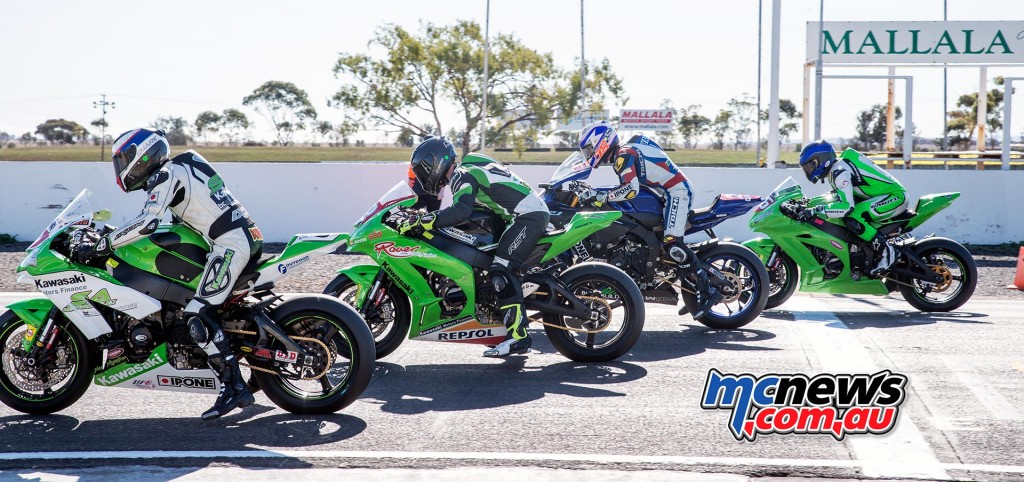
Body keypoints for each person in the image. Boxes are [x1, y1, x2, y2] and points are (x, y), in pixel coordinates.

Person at [76, 128, 263, 420]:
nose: (122, 167)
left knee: (197, 314)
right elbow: (163, 222)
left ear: (143, 154)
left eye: (124, 159)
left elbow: (148, 221)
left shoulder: (167, 174)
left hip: (230, 244)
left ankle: (233, 386)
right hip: (234, 239)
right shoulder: (182, 165)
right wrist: (116, 235)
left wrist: (105, 243)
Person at [401, 136, 550, 357]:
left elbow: (461, 211)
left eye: (423, 171)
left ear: (434, 164)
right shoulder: (468, 169)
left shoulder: (462, 174)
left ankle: (518, 336)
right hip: (524, 216)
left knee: (501, 269)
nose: (422, 178)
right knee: (493, 266)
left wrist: (426, 221)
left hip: (528, 218)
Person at [570, 120, 722, 318]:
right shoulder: (624, 152)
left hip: (676, 192)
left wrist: (602, 196)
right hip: (665, 193)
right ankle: (690, 290)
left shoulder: (623, 155)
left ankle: (708, 291)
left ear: (602, 142)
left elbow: (630, 190)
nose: (589, 154)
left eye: (590, 148)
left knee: (672, 244)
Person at [797, 139, 908, 275]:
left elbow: (846, 207)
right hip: (882, 197)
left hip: (894, 197)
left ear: (821, 160)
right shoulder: (836, 170)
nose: (808, 171)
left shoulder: (840, 172)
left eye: (810, 166)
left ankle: (887, 251)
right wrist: (810, 203)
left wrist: (817, 210)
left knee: (853, 215)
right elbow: (836, 196)